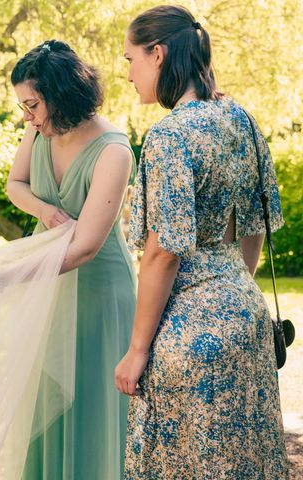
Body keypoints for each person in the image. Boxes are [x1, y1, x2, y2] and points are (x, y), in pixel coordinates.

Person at [115, 5, 289, 478]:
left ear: (158, 53)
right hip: (246, 316)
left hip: (189, 333)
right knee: (244, 461)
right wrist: (230, 284)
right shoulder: (240, 119)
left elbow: (162, 253)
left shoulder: (169, 135)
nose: (127, 73)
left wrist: (136, 350)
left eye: (130, 59)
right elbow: (255, 225)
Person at [6, 40, 137, 479]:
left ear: (59, 94)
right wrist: (43, 210)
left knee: (94, 401)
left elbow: (84, 248)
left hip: (99, 293)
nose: (28, 115)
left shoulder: (113, 150)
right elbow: (15, 184)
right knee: (46, 401)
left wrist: (6, 278)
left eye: (32, 105)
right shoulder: (39, 129)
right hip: (49, 285)